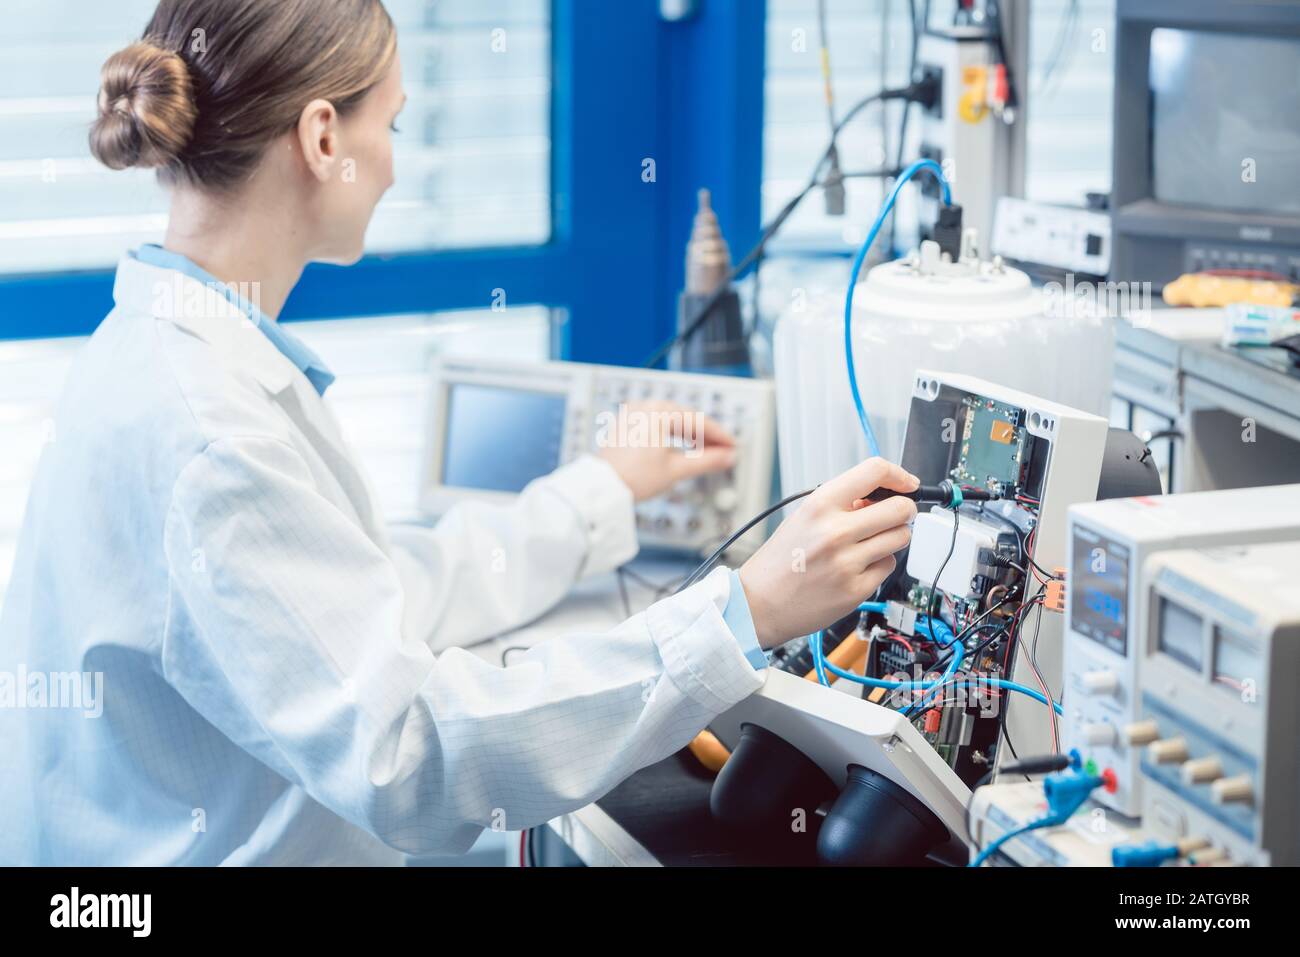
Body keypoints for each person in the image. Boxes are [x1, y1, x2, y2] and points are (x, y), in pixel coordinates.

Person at [0, 0, 917, 865]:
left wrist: (603, 485)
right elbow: (410, 755)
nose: (395, 165)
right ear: (324, 139)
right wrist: (742, 611)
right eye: (389, 126)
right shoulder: (211, 430)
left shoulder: (162, 350)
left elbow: (370, 599)